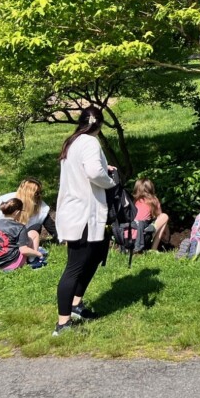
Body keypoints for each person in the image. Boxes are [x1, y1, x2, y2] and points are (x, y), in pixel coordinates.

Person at [53, 107, 118, 337]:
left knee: (96, 254)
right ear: (99, 124)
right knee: (75, 266)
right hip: (83, 214)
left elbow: (85, 170)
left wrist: (104, 169)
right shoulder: (90, 142)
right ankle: (63, 324)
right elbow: (92, 172)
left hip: (75, 211)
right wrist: (109, 180)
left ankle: (76, 305)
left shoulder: (73, 142)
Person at [0, 178, 58, 245]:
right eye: (37, 193)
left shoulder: (42, 208)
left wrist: (65, 240)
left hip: (20, 241)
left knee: (37, 226)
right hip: (0, 239)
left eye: (41, 192)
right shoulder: (7, 201)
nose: (40, 196)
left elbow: (52, 229)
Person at [0, 197, 47, 271]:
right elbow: (23, 250)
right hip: (13, 263)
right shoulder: (19, 227)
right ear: (17, 212)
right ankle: (33, 260)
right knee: (33, 233)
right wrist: (38, 253)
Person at [132, 178, 170, 253]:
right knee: (164, 216)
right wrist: (166, 235)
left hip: (129, 238)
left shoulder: (134, 201)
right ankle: (153, 249)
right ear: (151, 188)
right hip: (141, 238)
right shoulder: (153, 200)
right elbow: (161, 218)